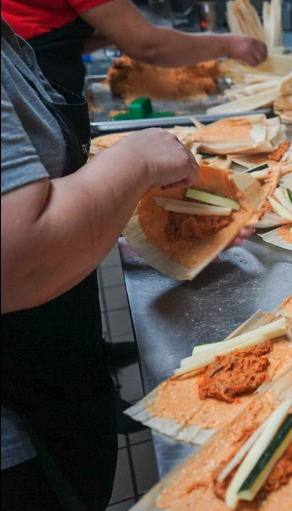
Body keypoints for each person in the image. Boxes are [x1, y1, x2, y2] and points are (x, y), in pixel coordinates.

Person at [0, 17, 239, 509]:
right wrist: (139, 158)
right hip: (18, 428)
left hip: (51, 371)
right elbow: (19, 255)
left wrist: (122, 231)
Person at [1, 0, 268, 94]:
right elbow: (148, 45)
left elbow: (50, 37)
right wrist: (230, 44)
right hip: (29, 91)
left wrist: (112, 35)